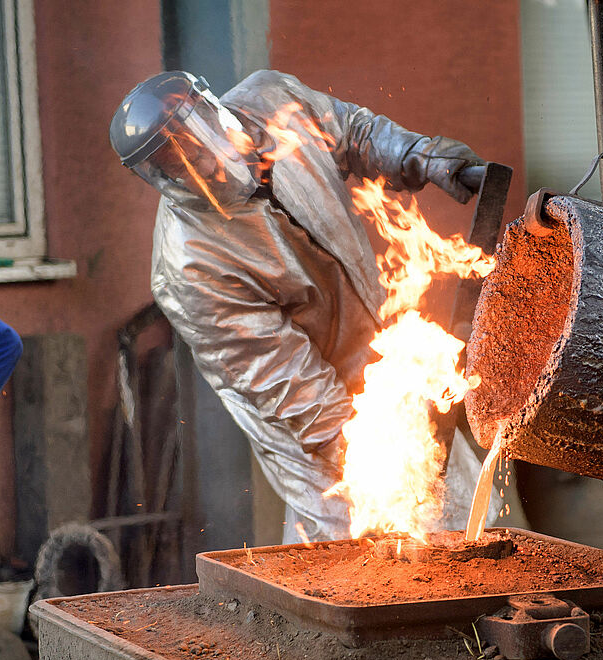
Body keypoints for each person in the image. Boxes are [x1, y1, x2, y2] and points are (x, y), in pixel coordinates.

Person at [109, 70, 491, 543]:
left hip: (374, 356)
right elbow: (289, 384)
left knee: (465, 508)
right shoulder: (190, 266)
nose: (201, 168)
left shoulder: (273, 100)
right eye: (177, 164)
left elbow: (351, 131)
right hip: (305, 412)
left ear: (211, 111)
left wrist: (419, 155)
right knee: (351, 542)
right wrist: (380, 455)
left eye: (198, 146)